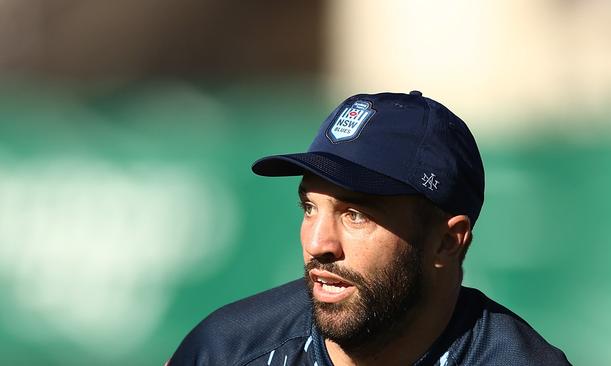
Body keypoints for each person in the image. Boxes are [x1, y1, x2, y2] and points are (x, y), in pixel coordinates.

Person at [168, 91, 571, 365]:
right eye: (309, 207)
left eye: (355, 215)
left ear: (447, 242)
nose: (317, 243)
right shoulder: (226, 351)